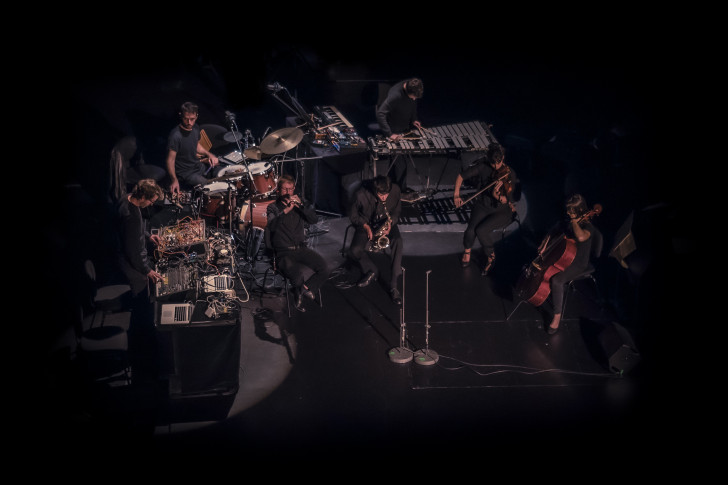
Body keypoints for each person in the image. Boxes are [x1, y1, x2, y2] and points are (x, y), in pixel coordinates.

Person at [115, 178, 165, 383]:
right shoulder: (133, 217)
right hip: (128, 263)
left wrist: (147, 236)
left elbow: (135, 234)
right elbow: (134, 252)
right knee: (143, 291)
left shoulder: (126, 198)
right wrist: (147, 270)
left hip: (124, 255)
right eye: (151, 201)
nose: (151, 205)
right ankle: (142, 343)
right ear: (142, 196)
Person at [538, 194, 601, 335]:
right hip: (565, 257)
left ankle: (557, 317)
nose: (567, 213)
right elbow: (553, 230)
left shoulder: (587, 226)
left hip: (578, 263)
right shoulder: (568, 220)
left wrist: (574, 222)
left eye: (571, 211)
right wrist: (544, 244)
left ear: (580, 211)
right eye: (568, 210)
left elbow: (580, 236)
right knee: (545, 269)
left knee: (557, 280)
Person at [266, 175, 330, 312]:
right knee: (296, 275)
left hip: (301, 249)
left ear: (294, 189)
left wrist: (303, 206)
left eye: (290, 189)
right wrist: (286, 211)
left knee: (324, 268)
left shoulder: (300, 204)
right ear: (278, 191)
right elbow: (271, 226)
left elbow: (313, 220)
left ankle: (302, 290)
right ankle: (300, 293)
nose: (288, 192)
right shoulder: (273, 207)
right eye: (285, 189)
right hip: (283, 253)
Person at [453, 143, 518, 276]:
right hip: (482, 205)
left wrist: (497, 196)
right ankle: (467, 252)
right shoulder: (483, 166)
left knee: (481, 231)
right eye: (493, 164)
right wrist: (456, 195)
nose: (496, 167)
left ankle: (491, 256)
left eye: (498, 163)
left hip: (501, 210)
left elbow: (508, 199)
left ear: (503, 158)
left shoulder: (509, 174)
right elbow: (461, 176)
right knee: (470, 231)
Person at [348, 175, 403, 304]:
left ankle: (394, 285)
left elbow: (397, 211)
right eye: (381, 195)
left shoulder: (395, 190)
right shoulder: (361, 195)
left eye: (386, 195)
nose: (384, 198)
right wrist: (365, 226)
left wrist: (391, 223)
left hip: (385, 223)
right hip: (367, 224)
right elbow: (353, 215)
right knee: (355, 250)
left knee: (398, 241)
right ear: (374, 190)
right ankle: (371, 270)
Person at [375, 78, 424, 192]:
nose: (414, 99)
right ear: (407, 91)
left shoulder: (412, 85)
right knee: (401, 164)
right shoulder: (395, 95)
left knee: (395, 165)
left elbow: (412, 103)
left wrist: (414, 119)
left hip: (404, 129)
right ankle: (401, 192)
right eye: (413, 96)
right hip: (394, 130)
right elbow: (380, 114)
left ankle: (391, 189)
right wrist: (389, 134)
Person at [166, 101, 220, 196]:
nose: (189, 122)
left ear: (196, 116)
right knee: (208, 186)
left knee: (221, 172)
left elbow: (197, 145)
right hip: (185, 173)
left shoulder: (195, 128)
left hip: (197, 166)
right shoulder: (175, 136)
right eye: (186, 119)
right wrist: (174, 180)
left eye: (192, 119)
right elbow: (170, 160)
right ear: (181, 115)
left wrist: (210, 155)